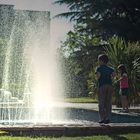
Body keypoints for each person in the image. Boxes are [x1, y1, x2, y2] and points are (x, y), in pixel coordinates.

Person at [95, 54, 115, 124]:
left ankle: (102, 118)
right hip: (109, 86)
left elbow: (98, 76)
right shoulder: (111, 69)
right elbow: (113, 75)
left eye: (98, 60)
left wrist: (97, 78)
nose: (98, 61)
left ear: (101, 61)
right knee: (108, 102)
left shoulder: (99, 68)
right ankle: (108, 118)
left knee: (101, 103)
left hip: (102, 86)